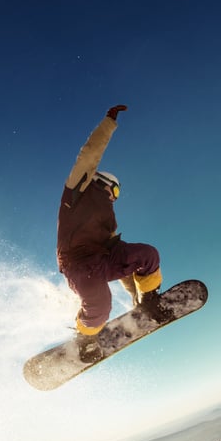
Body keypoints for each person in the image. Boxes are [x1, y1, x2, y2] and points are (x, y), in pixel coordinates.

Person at [56, 104, 165, 363]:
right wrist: (109, 122)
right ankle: (85, 337)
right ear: (103, 183)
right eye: (115, 192)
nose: (115, 198)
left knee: (147, 255)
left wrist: (136, 297)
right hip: (78, 263)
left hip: (101, 259)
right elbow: (90, 154)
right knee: (101, 303)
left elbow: (122, 260)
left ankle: (150, 298)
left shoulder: (108, 219)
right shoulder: (77, 192)